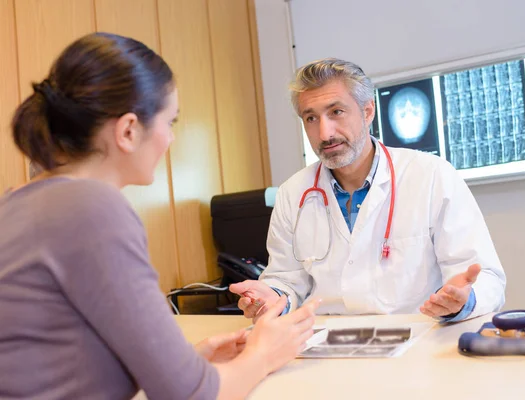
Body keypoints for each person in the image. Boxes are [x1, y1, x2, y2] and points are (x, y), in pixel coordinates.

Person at [0, 32, 320, 400]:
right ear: (129, 130)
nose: (169, 139)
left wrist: (188, 362)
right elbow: (192, 397)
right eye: (170, 123)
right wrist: (264, 354)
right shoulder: (92, 209)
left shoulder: (17, 204)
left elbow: (62, 362)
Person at [230, 58, 506, 323]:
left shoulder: (431, 175)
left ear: (367, 111)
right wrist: (272, 297)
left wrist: (463, 300)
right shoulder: (293, 193)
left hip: (416, 340)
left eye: (336, 112)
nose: (325, 133)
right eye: (311, 118)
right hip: (326, 345)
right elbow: (286, 281)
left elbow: (484, 277)